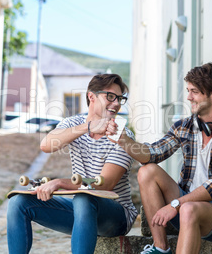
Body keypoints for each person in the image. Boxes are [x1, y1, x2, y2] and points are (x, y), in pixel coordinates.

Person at [106, 63, 212, 254]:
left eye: (195, 92)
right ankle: (160, 248)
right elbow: (153, 153)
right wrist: (123, 140)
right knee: (147, 171)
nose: (188, 97)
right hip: (185, 205)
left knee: (189, 209)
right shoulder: (184, 126)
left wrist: (175, 205)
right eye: (188, 91)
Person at [7, 73, 138, 254]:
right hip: (82, 210)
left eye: (120, 99)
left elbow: (105, 184)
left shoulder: (123, 136)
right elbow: (46, 145)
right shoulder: (73, 123)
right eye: (110, 96)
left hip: (116, 215)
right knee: (18, 203)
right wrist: (88, 127)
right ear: (91, 96)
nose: (116, 103)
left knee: (85, 197)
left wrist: (60, 183)